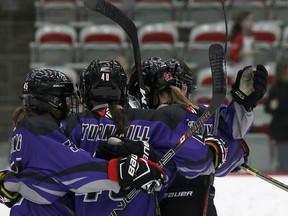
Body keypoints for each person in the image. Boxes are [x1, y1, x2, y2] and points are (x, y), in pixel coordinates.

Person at [61, 59, 229, 216]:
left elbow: (50, 172)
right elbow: (199, 159)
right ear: (123, 91)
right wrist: (211, 149)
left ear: (85, 91)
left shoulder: (72, 126)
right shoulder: (152, 121)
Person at [0, 68, 166, 215]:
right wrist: (120, 169)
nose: (68, 104)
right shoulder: (38, 128)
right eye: (64, 98)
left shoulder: (28, 127)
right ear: (52, 101)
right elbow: (72, 169)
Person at [127, 57, 268, 216]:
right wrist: (242, 102)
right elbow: (235, 143)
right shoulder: (202, 115)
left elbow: (234, 142)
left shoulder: (148, 120)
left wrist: (243, 101)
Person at [265, 60, 288, 172]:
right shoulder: (276, 89)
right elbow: (268, 108)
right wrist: (274, 105)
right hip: (281, 129)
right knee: (283, 159)